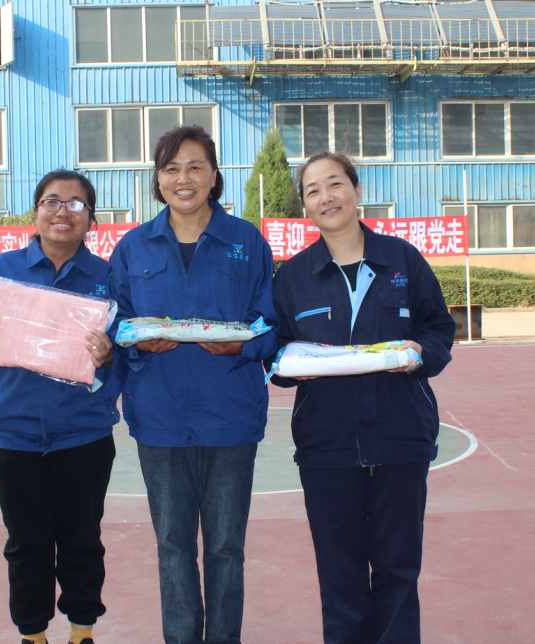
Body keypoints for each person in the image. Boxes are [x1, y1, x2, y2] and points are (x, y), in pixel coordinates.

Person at [271, 151, 455, 644]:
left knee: (398, 570)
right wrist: (290, 365)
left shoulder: (402, 260)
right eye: (313, 190)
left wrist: (421, 353)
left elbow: (438, 329)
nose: (326, 197)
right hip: (327, 447)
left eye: (335, 184)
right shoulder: (292, 277)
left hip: (401, 440)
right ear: (305, 206)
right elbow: (275, 352)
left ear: (356, 190)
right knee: (340, 576)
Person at [108, 125, 278, 644]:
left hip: (230, 416)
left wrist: (243, 346)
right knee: (173, 547)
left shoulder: (247, 241)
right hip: (159, 419)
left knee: (226, 547)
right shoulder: (133, 247)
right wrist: (137, 341)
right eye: (171, 168)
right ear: (158, 180)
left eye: (195, 166)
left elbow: (271, 323)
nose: (184, 179)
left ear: (213, 175)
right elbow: (114, 321)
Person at [0, 169, 122, 644]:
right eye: (52, 201)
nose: (63, 211)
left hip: (83, 432)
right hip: (11, 431)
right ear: (36, 211)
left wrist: (109, 355)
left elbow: (128, 352)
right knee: (26, 543)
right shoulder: (2, 271)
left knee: (82, 541)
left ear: (91, 217)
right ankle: (32, 634)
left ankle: (82, 631)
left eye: (76, 203)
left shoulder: (108, 278)